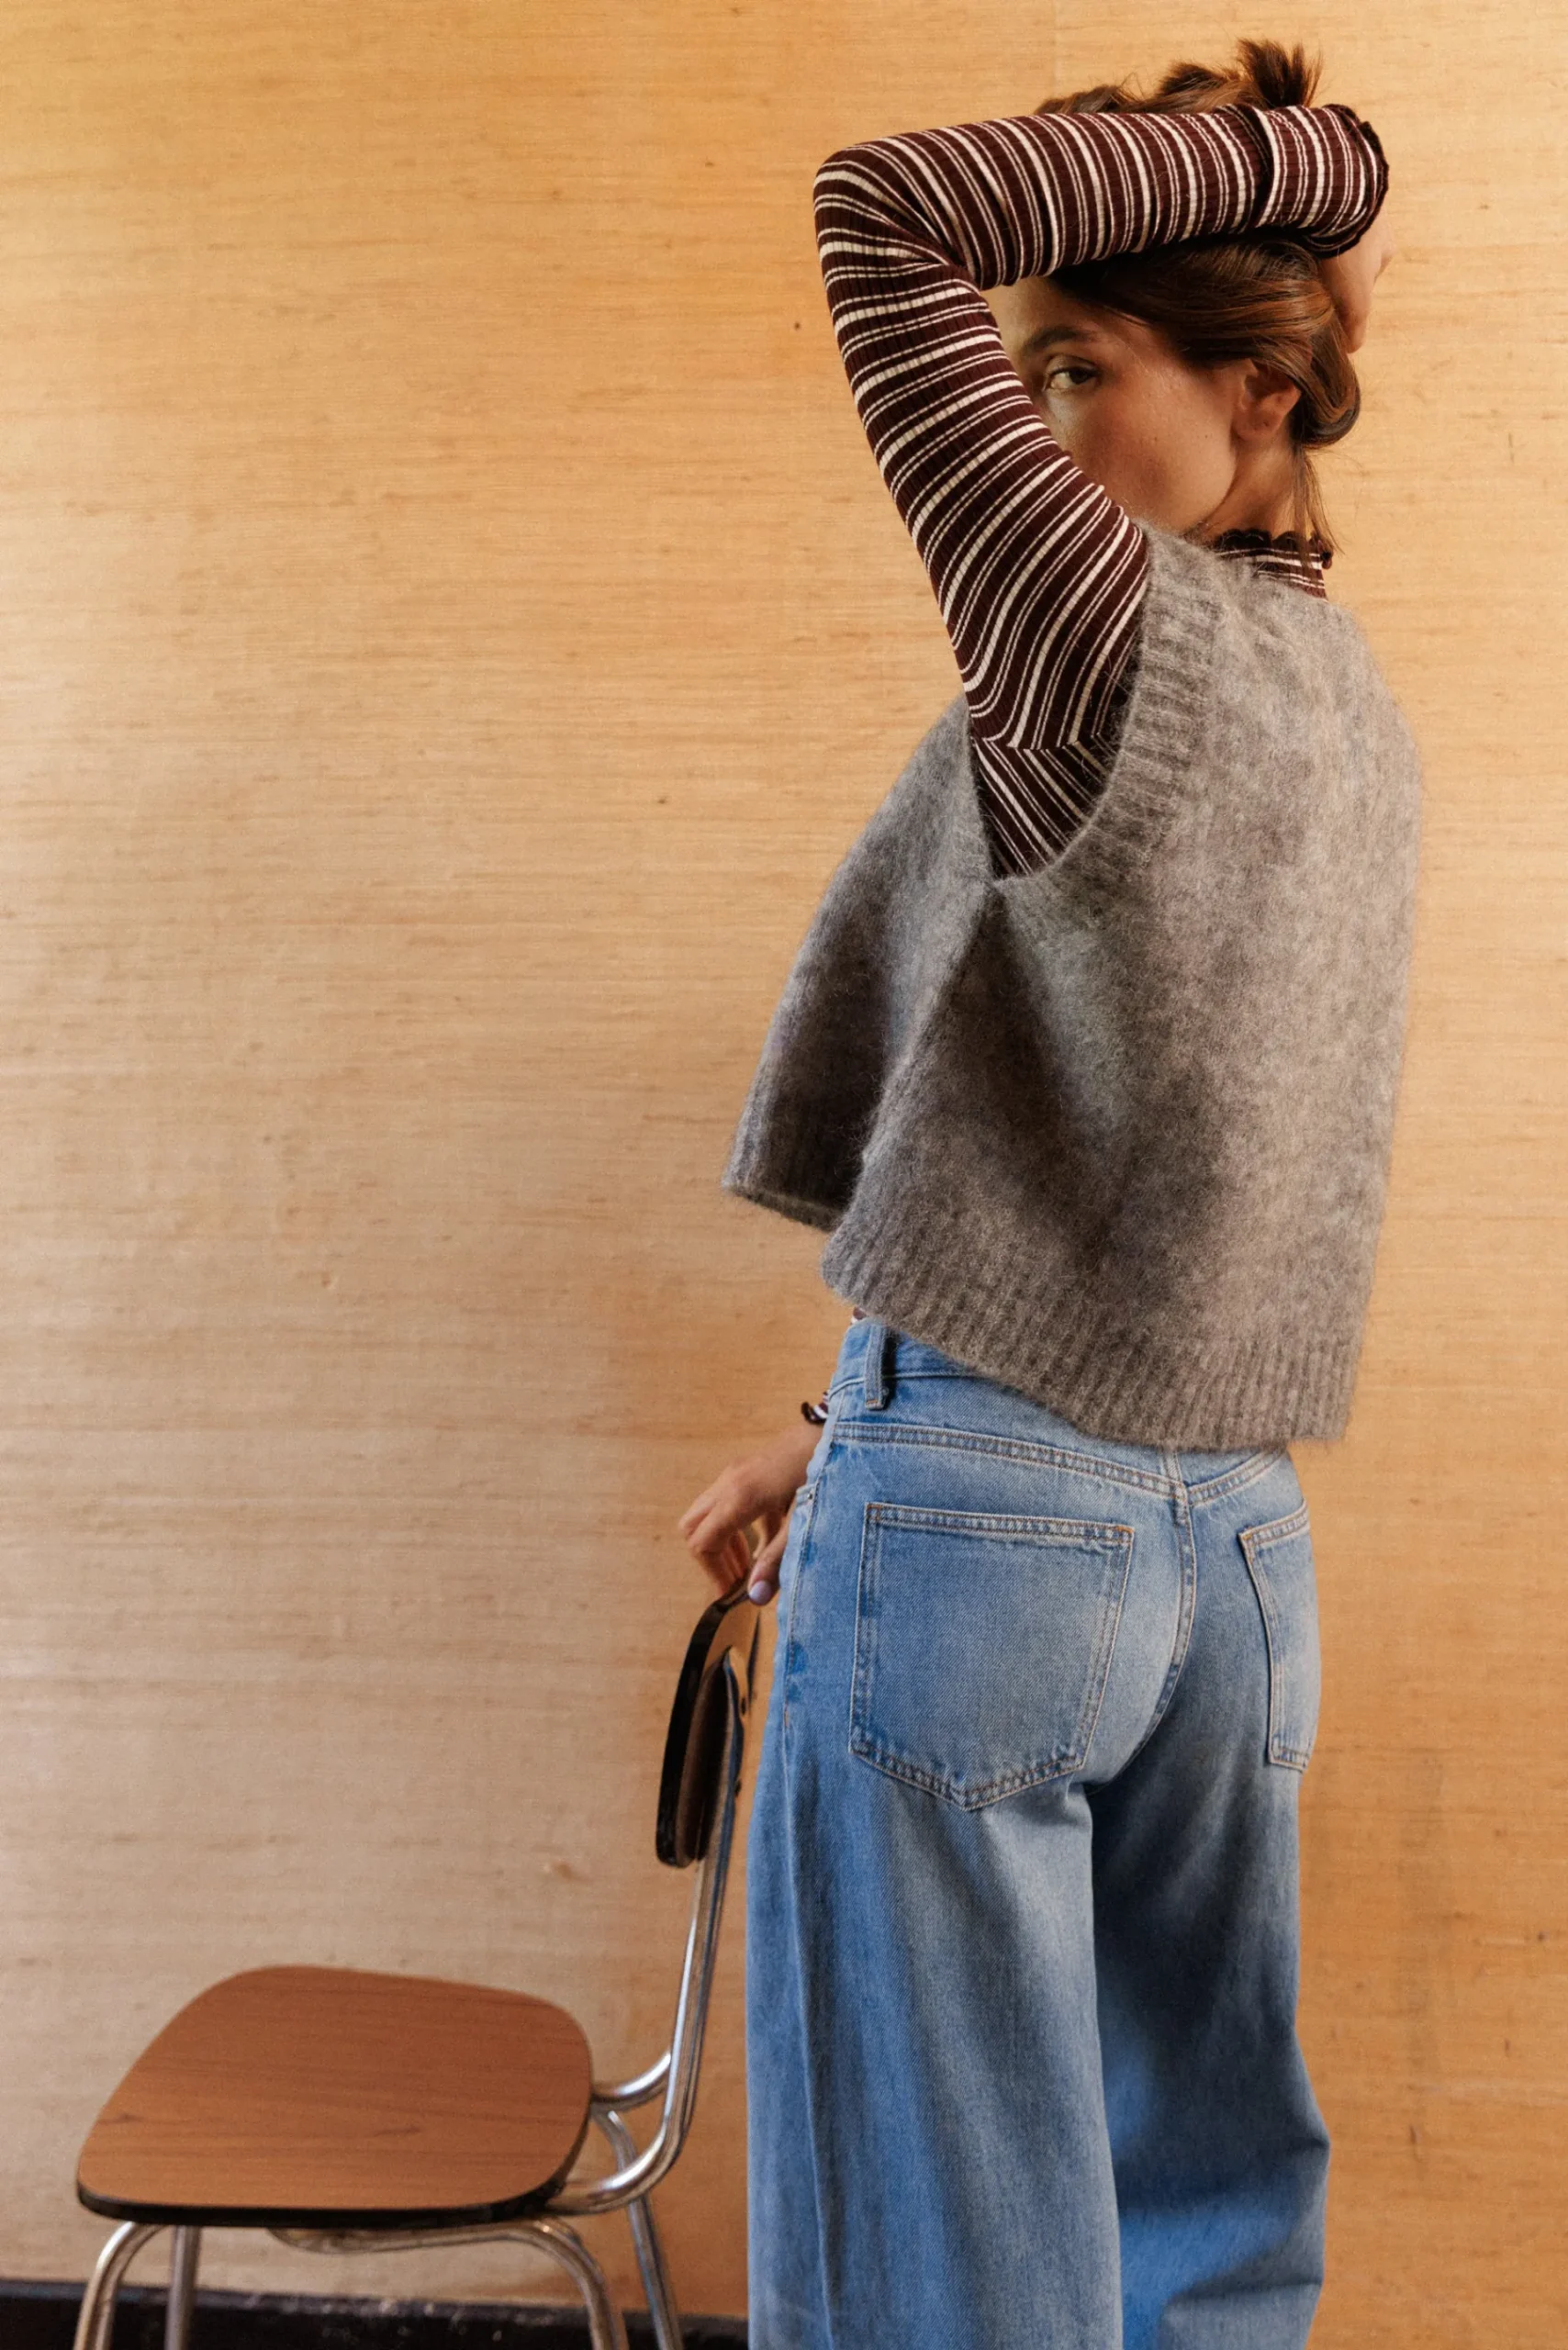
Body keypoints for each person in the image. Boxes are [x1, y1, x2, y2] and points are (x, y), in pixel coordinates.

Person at [678, 38, 1416, 2350]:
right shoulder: (1350, 714)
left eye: (1077, 366)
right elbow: (1137, 1163)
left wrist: (1312, 157)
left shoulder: (1087, 619)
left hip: (995, 1538)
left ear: (1258, 386)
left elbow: (878, 205)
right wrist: (839, 1420)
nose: (1029, 421)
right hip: (1231, 1556)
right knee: (1198, 2217)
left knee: (932, 2263)